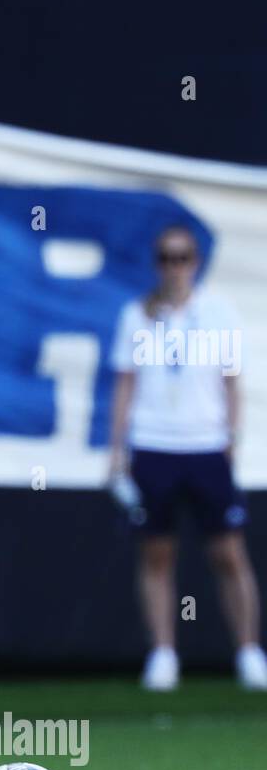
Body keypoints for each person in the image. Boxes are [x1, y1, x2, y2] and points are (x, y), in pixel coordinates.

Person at [109, 223, 267, 692]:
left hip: (205, 445)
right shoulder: (137, 314)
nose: (174, 267)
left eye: (182, 258)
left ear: (195, 262)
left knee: (228, 552)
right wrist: (117, 451)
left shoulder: (217, 312)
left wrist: (231, 438)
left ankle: (248, 650)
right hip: (155, 444)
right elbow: (125, 383)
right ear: (157, 263)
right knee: (157, 552)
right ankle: (163, 654)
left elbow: (232, 379)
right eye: (165, 258)